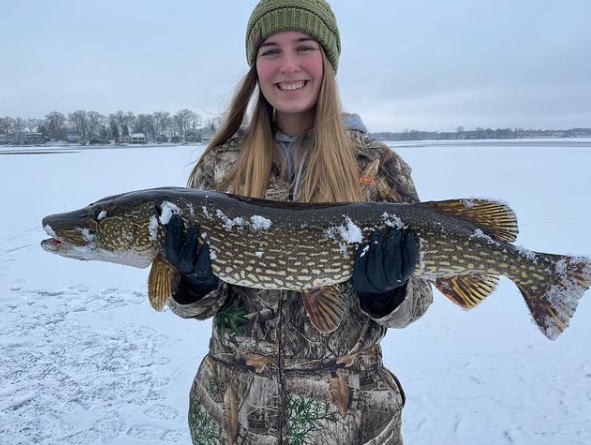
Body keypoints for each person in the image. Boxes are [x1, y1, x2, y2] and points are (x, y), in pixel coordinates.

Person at [163, 0, 433, 443]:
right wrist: (193, 286)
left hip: (350, 421)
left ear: (327, 58)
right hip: (234, 418)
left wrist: (389, 294)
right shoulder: (219, 168)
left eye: (303, 47)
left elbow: (419, 299)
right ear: (256, 66)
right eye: (270, 51)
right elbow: (189, 306)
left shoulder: (376, 166)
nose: (288, 66)